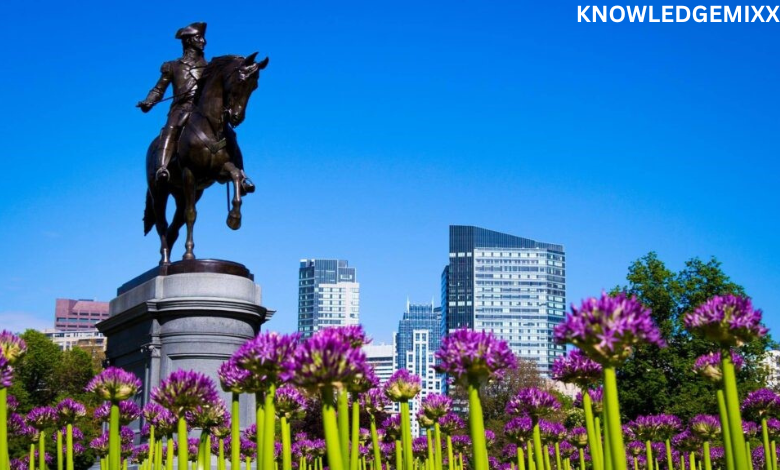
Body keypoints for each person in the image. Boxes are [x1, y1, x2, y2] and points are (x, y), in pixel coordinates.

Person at [137, 22, 255, 193]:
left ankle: (242, 176)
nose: (203, 41)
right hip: (181, 108)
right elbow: (158, 89)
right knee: (171, 128)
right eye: (198, 38)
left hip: (203, 110)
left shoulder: (210, 68)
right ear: (188, 41)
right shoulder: (173, 66)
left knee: (230, 133)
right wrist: (149, 101)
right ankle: (162, 167)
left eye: (202, 37)